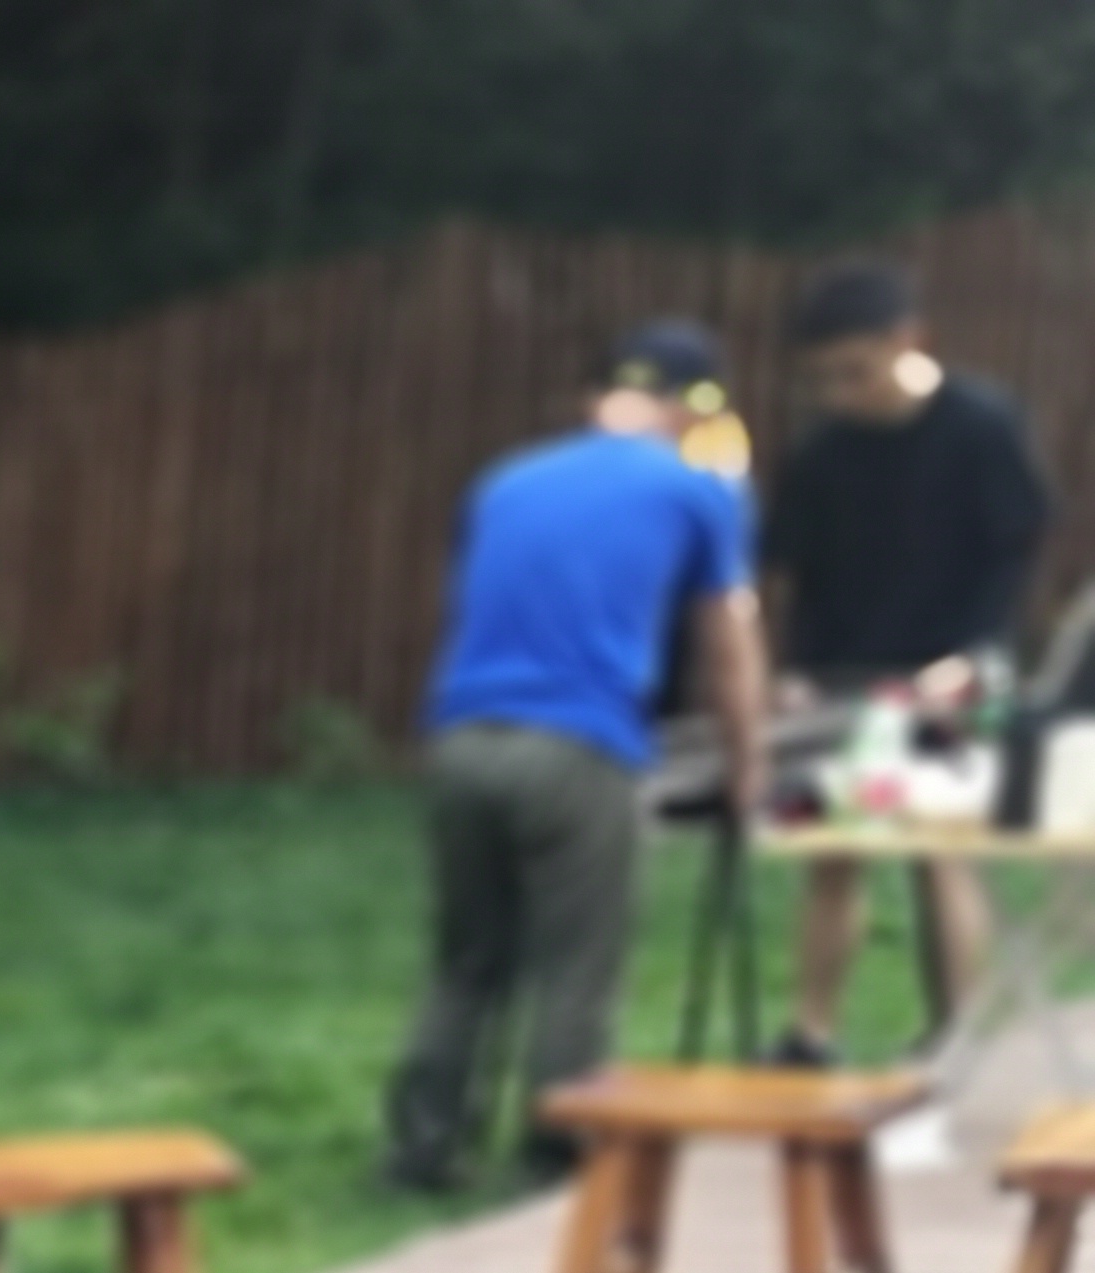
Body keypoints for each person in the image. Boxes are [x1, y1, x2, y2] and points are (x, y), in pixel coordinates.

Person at [383, 321, 770, 1192]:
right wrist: (746, 762)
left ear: (597, 397)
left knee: (467, 960)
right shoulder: (699, 491)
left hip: (462, 737)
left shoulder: (504, 479)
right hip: (580, 743)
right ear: (696, 407)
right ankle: (556, 1153)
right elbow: (730, 646)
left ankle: (422, 1147)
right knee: (577, 963)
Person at [759, 261, 1055, 1063]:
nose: (841, 392)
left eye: (855, 371)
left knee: (942, 852)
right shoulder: (821, 452)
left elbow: (1012, 554)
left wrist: (973, 655)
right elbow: (799, 576)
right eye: (823, 378)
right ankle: (810, 1033)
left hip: (956, 668)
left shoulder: (982, 425)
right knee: (830, 853)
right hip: (844, 672)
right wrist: (794, 670)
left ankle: (957, 1036)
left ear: (908, 342)